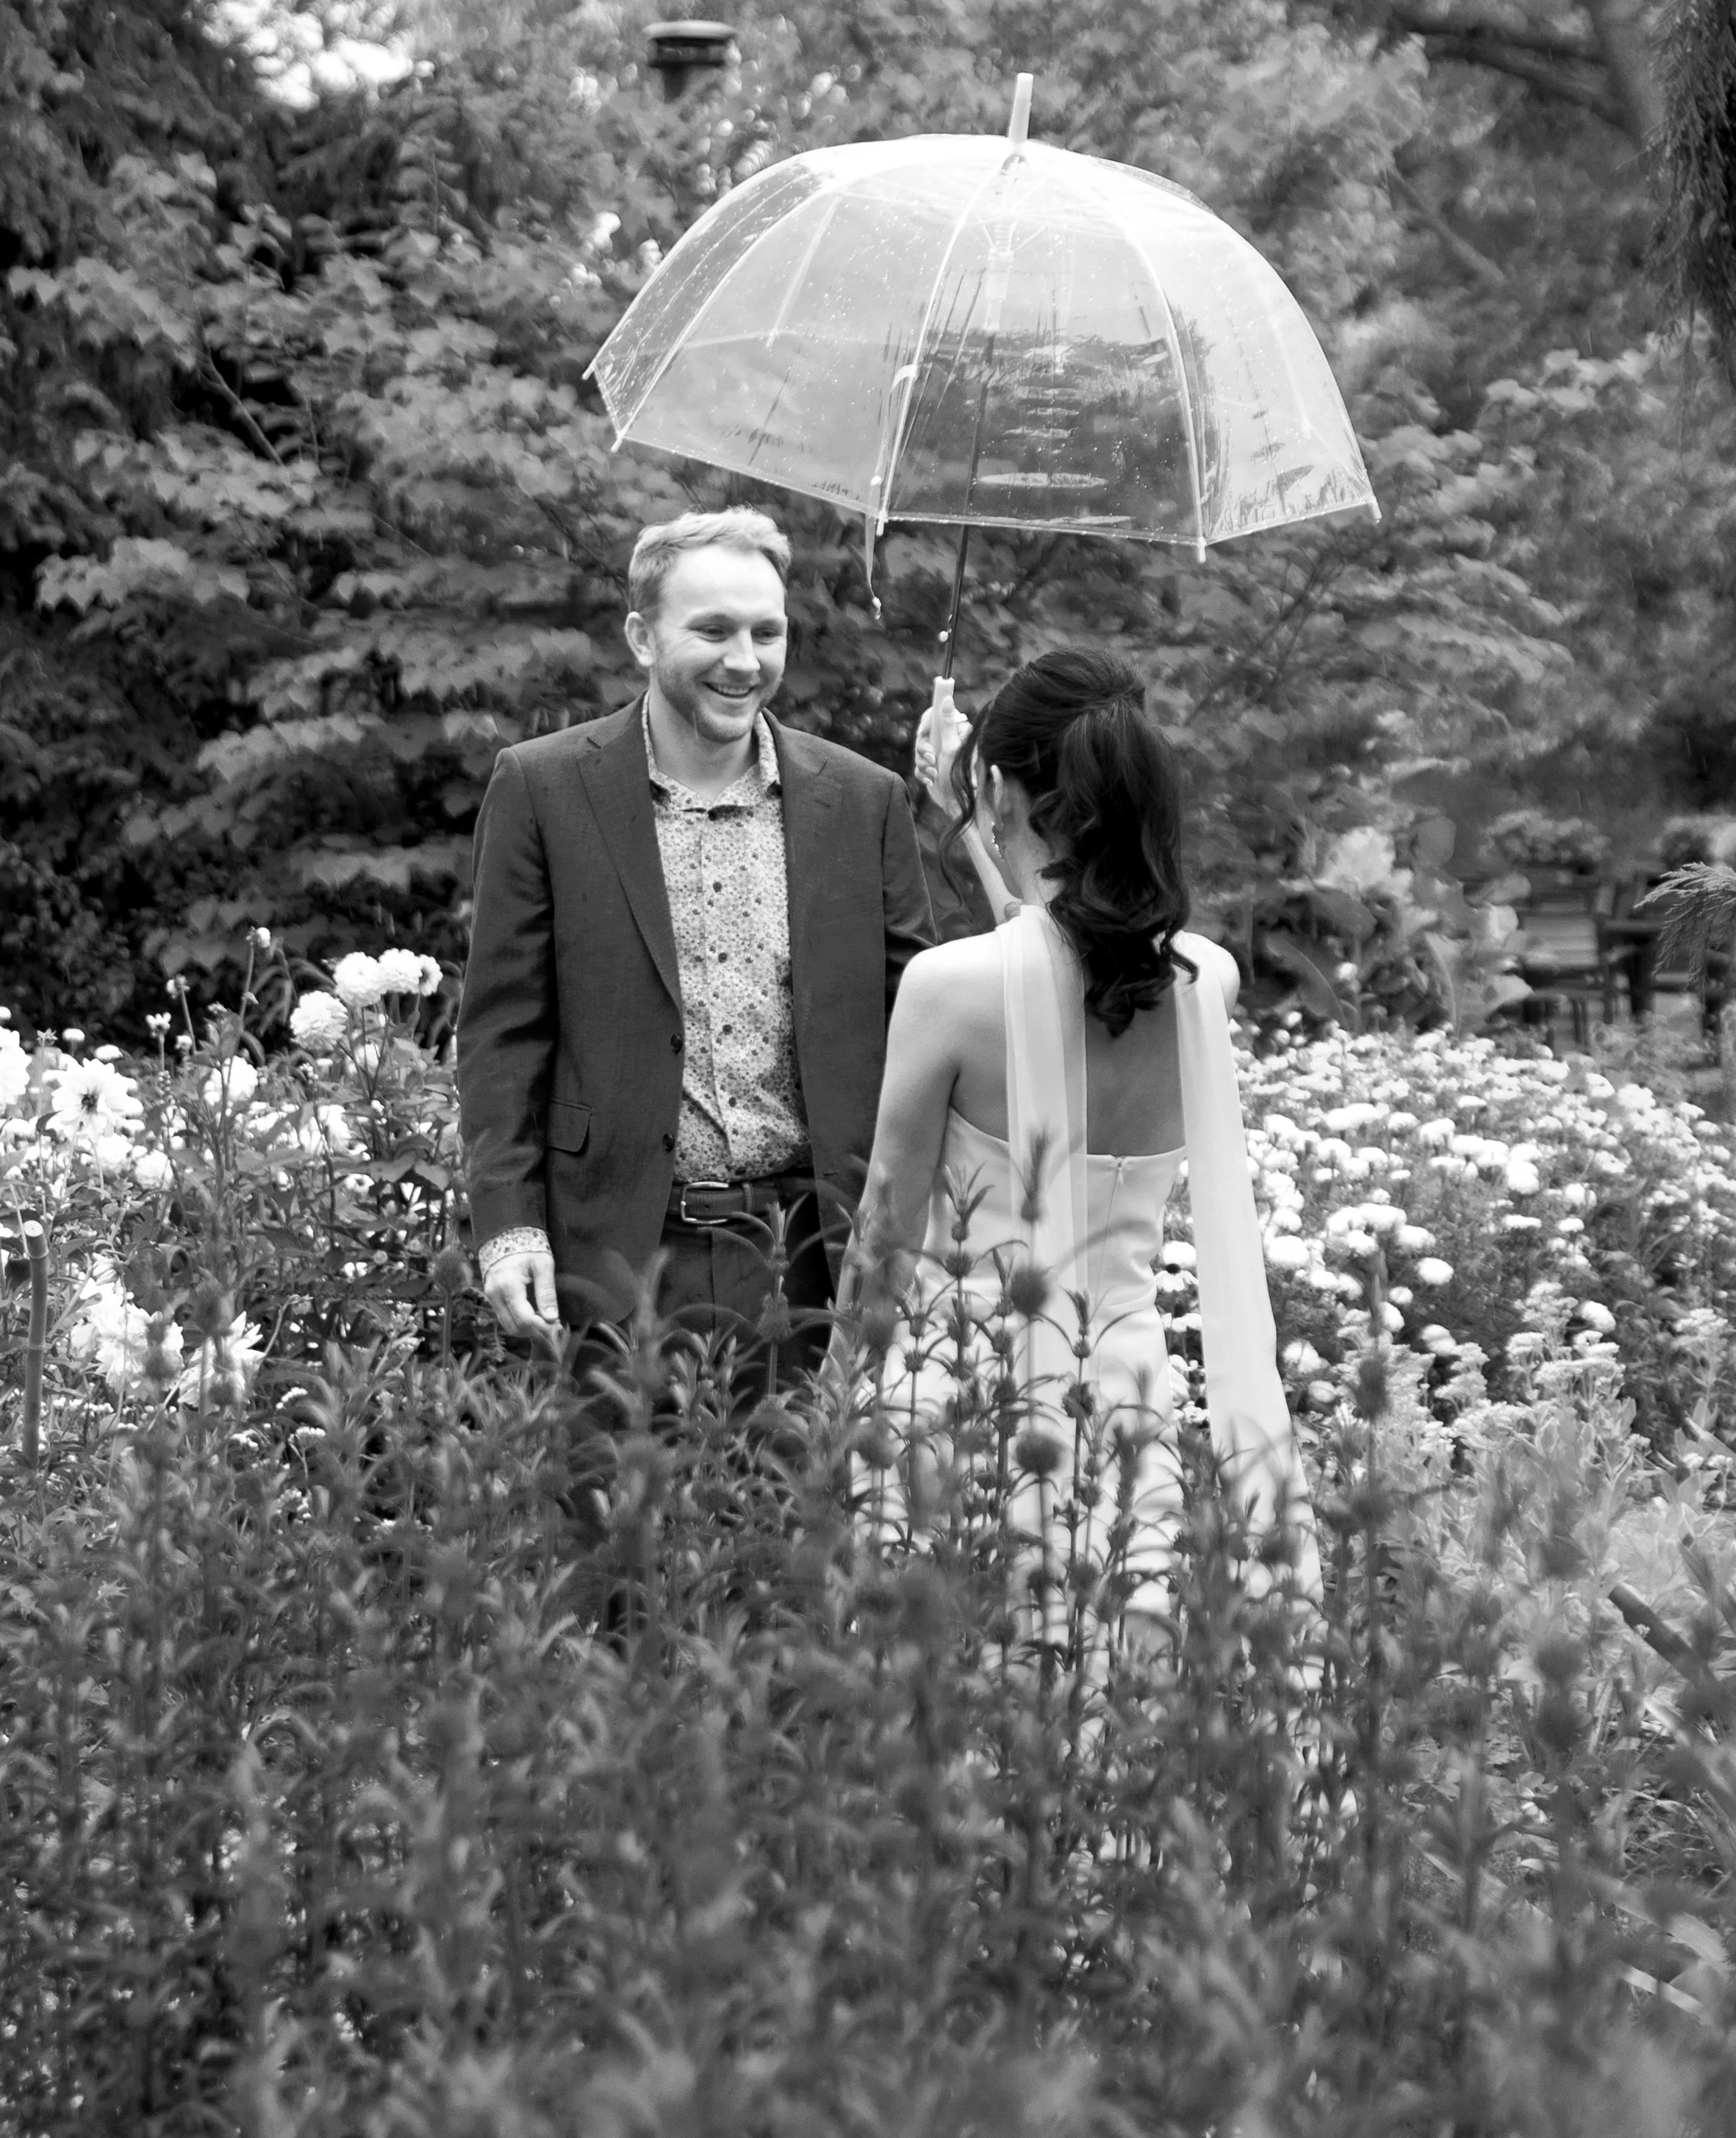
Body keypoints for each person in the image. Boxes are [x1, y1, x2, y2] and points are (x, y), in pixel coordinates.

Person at [848, 651, 1318, 1640]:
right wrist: (973, 811)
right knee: (1100, 1717)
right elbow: (1063, 963)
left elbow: (883, 1236)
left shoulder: (948, 988)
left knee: (949, 1717)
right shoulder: (1207, 982)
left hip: (963, 1394)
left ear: (1010, 791)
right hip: (1124, 1400)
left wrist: (831, 1415)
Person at [456, 507, 935, 1380]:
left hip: (819, 1264)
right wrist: (508, 1225)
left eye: (767, 632)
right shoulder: (543, 787)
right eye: (712, 630)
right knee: (611, 1518)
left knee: (807, 1517)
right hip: (606, 1256)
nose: (745, 661)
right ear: (642, 635)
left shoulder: (866, 802)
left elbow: (925, 1026)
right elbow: (502, 1034)